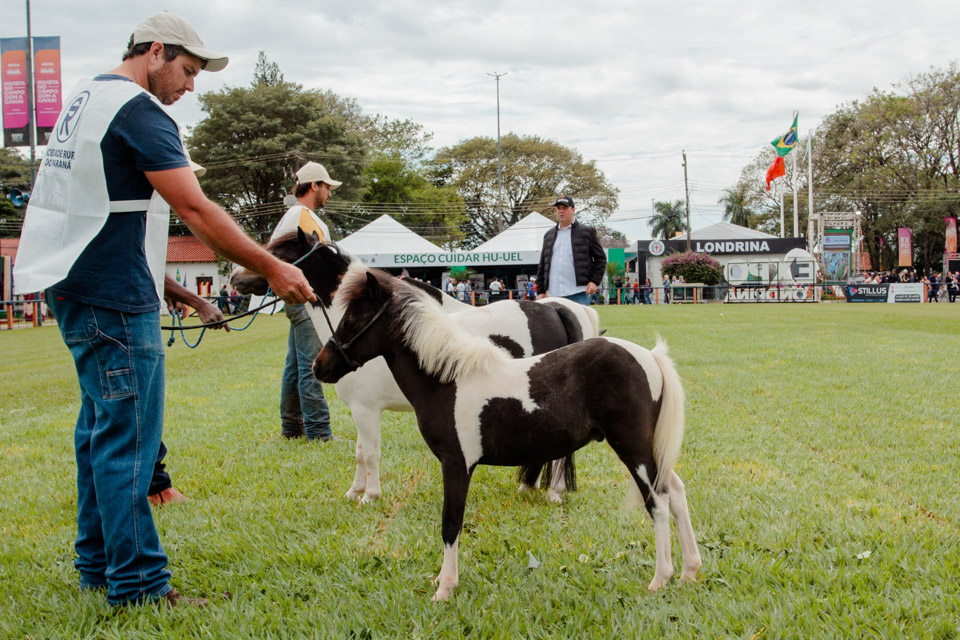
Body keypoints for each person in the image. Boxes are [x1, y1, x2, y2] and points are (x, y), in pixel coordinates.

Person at [13, 12, 314, 608]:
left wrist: (182, 295)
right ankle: (141, 586)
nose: (191, 86)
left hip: (74, 285)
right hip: (116, 295)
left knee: (99, 434)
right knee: (130, 443)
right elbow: (197, 211)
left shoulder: (83, 99)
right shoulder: (140, 111)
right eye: (188, 69)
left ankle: (97, 565)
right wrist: (275, 267)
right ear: (156, 51)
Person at [269, 162, 338, 442]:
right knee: (312, 365)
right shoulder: (305, 217)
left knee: (295, 364)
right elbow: (321, 261)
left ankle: (292, 428)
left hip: (295, 298)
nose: (330, 194)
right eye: (327, 187)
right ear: (314, 186)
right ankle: (319, 432)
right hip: (306, 298)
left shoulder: (293, 215)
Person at [535, 196, 606, 306]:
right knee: (554, 324)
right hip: (554, 293)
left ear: (573, 210)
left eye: (565, 208)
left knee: (579, 323)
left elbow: (600, 258)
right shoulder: (548, 235)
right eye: (559, 208)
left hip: (578, 292)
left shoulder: (586, 232)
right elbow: (543, 265)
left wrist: (594, 281)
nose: (561, 211)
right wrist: (540, 291)